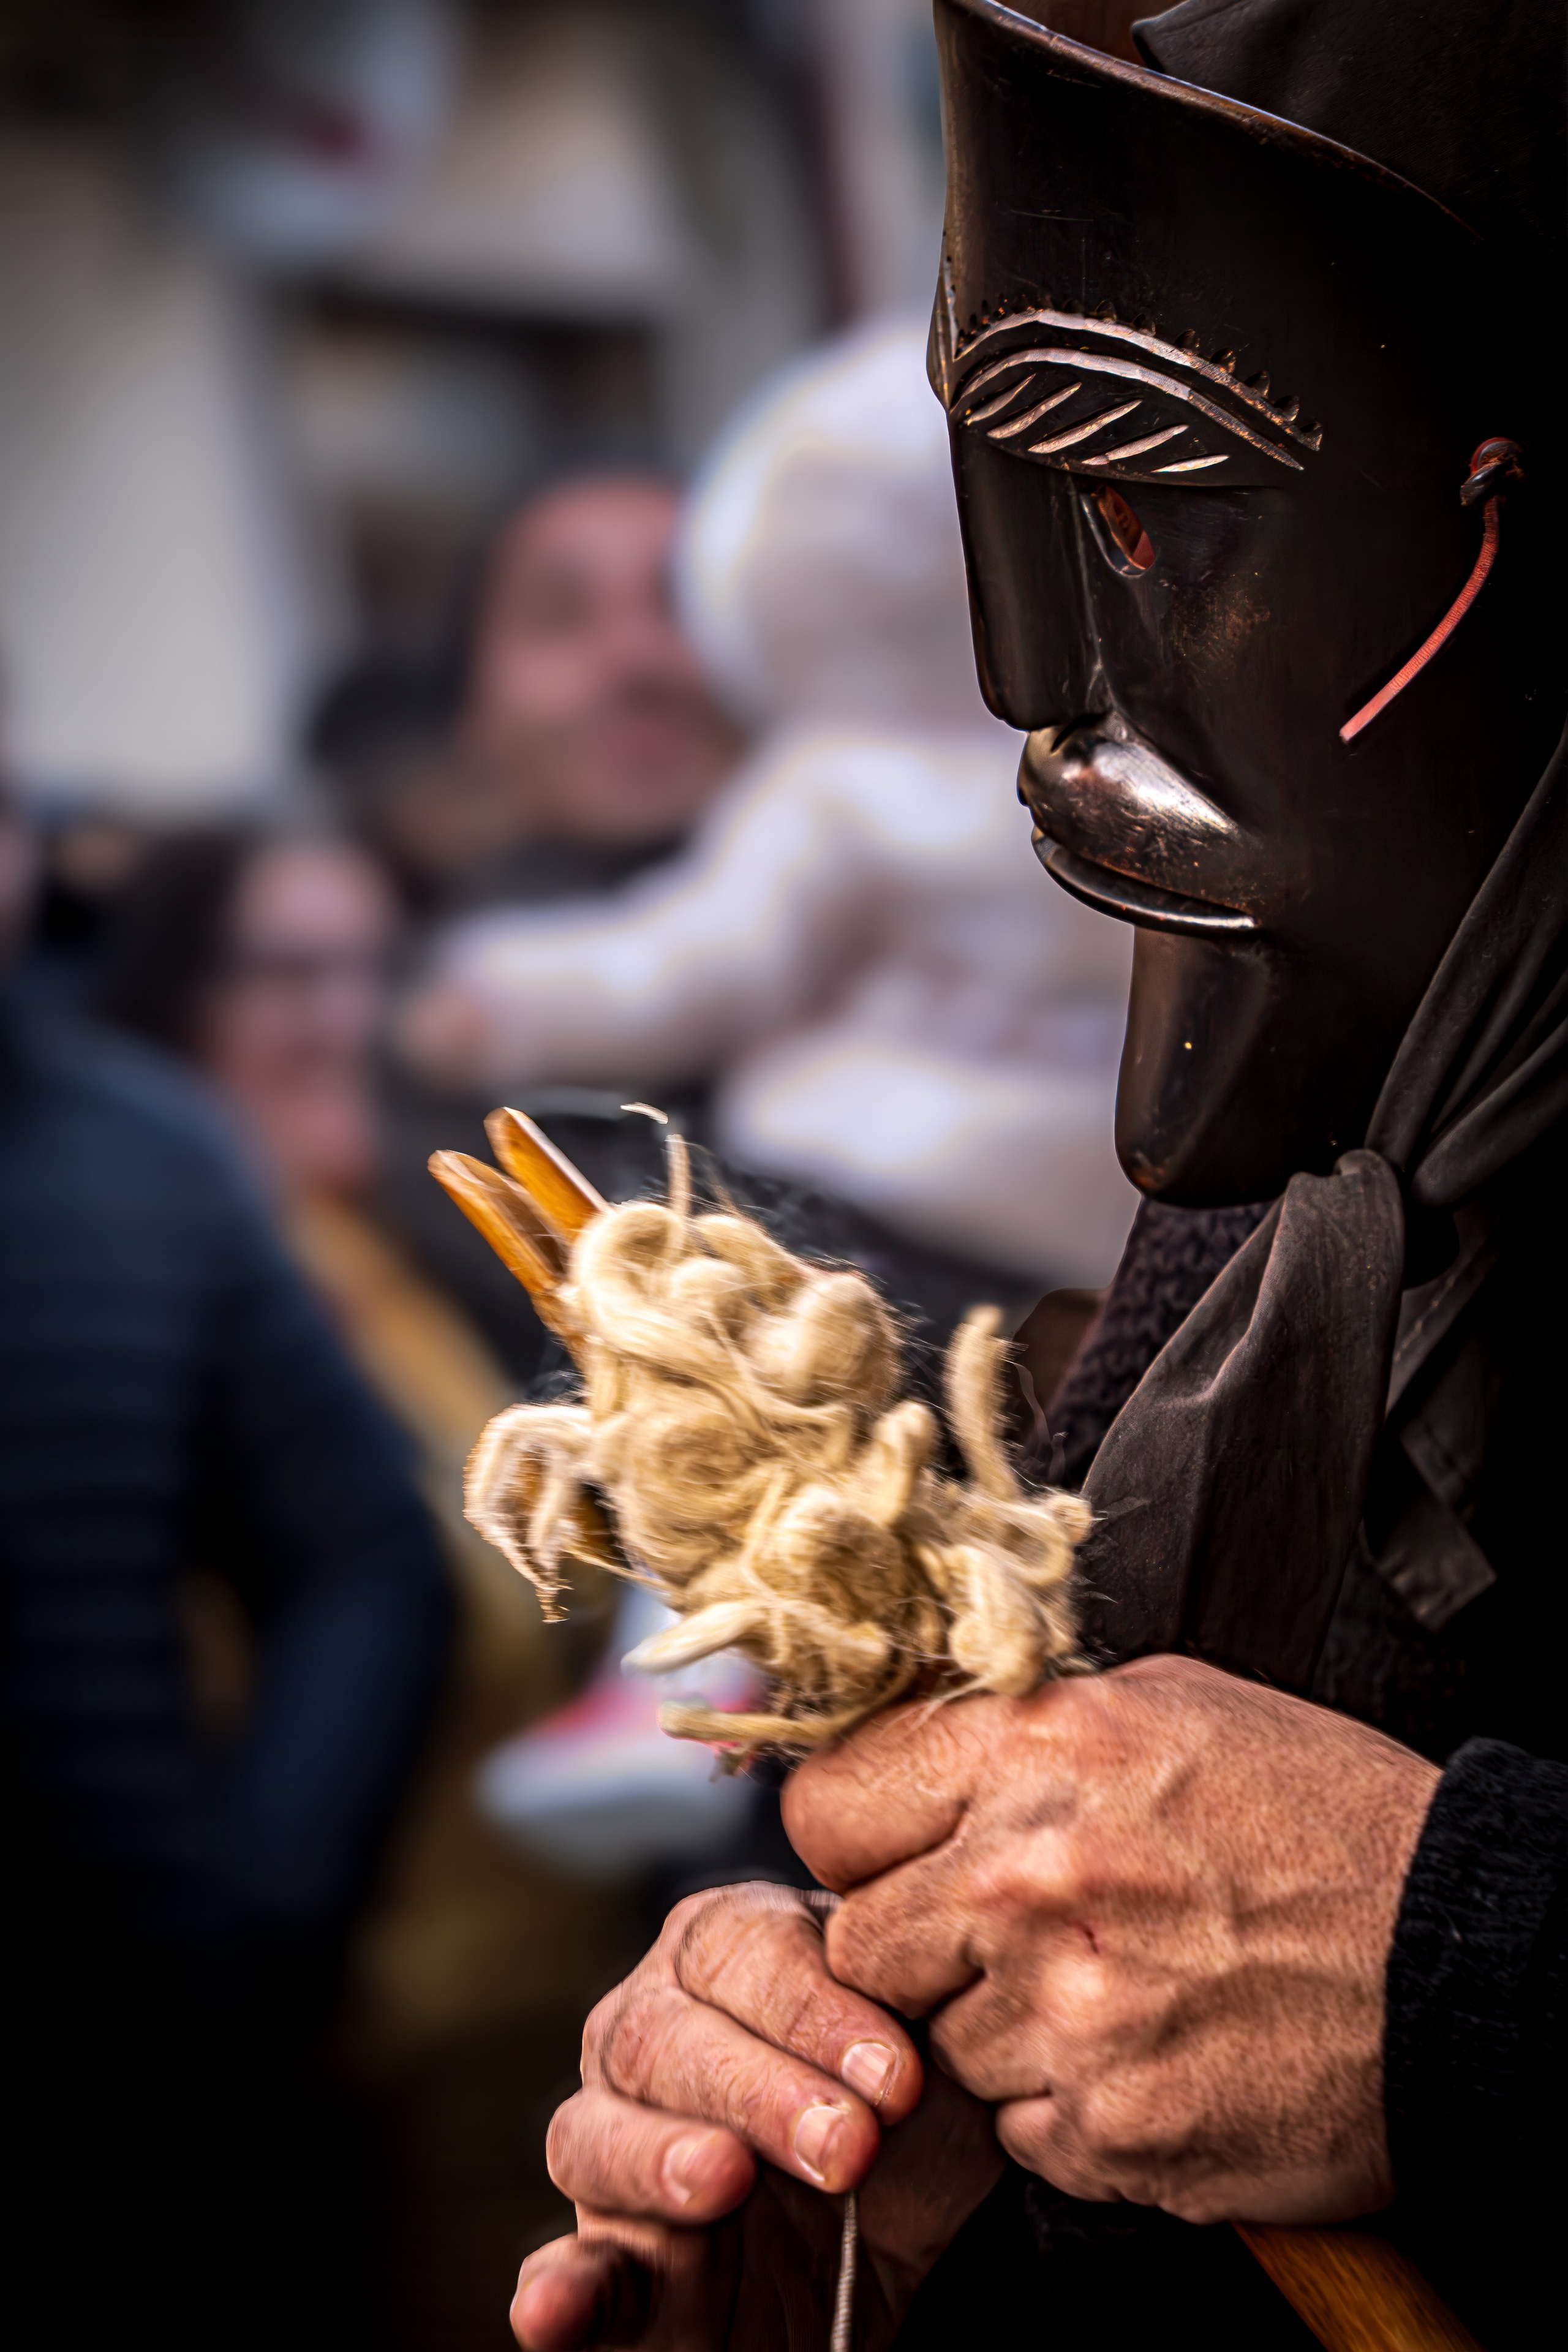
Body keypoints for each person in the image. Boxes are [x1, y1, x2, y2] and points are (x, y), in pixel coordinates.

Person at [500, 5, 1566, 2350]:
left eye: (1142, 505)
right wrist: (923, 2190)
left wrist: (1473, 1969)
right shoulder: (1301, 1193)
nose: (1037, 690)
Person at [95, 824, 643, 2345]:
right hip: (358, 2088)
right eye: (288, 971)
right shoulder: (156, 1301)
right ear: (171, 1003)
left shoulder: (395, 1261)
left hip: (555, 2029)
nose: (345, 1015)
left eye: (370, 967)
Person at [401, 322, 1137, 1294]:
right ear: (470, 708)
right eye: (559, 616)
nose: (635, 663)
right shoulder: (404, 1047)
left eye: (673, 606)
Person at [0, 796, 451, 2350]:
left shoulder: (137, 1160)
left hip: (163, 2098)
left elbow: (367, 1559)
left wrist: (253, 1909)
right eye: (290, 972)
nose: (348, 1019)